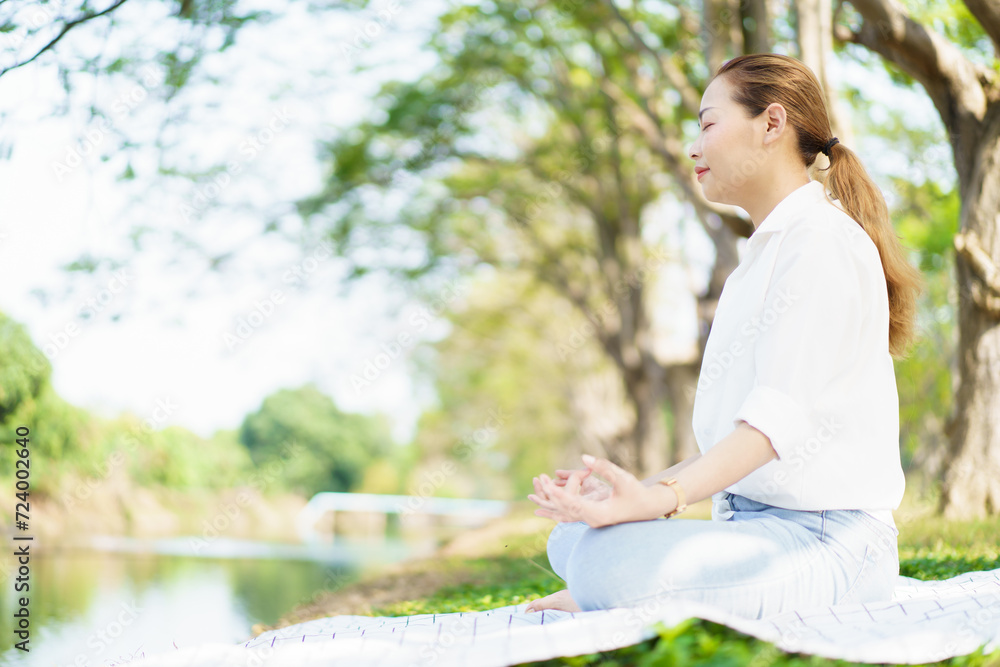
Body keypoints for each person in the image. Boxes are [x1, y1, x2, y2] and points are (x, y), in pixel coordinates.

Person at [524, 53, 924, 618]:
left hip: (832, 546)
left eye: (708, 124)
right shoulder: (757, 262)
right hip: (757, 534)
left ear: (772, 124)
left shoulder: (821, 243)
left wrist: (660, 501)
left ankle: (614, 584)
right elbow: (732, 446)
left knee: (601, 560)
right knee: (573, 539)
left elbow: (772, 425)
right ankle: (617, 580)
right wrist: (631, 494)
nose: (694, 148)